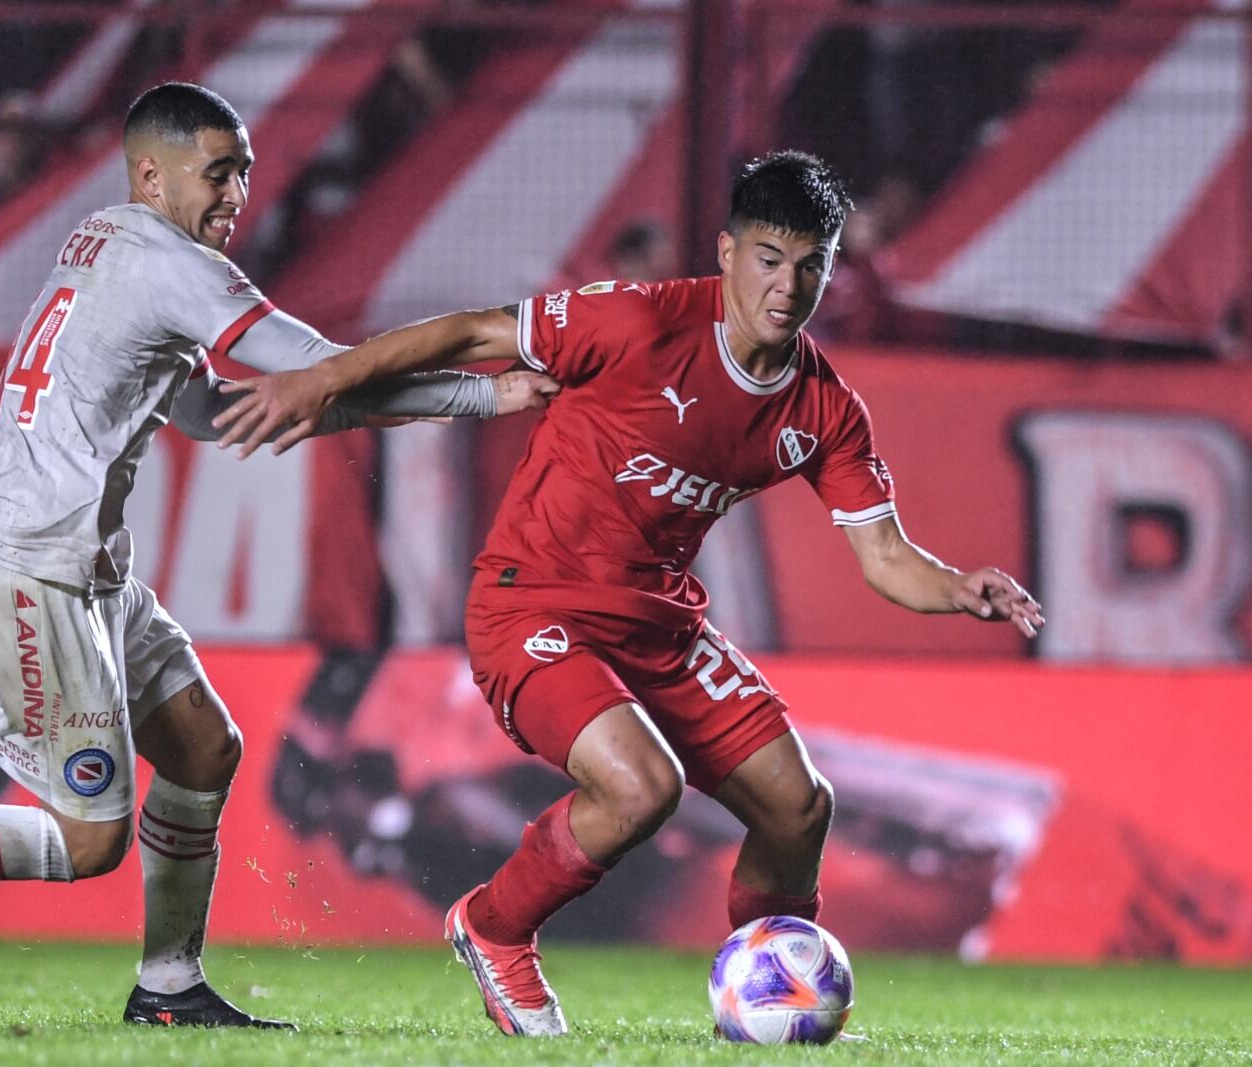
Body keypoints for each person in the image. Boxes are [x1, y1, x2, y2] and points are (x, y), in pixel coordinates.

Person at [0, 81, 556, 1030]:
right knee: (90, 839)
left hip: (88, 574)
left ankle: (168, 987)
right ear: (151, 173)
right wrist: (478, 392)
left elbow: (214, 410)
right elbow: (317, 362)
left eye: (245, 176)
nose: (237, 196)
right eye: (219, 174)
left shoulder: (108, 242)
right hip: (33, 576)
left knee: (205, 747)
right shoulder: (172, 264)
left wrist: (359, 399)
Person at [210, 150, 1044, 1036]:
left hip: (661, 627)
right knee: (643, 789)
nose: (788, 285)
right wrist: (322, 376)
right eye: (769, 257)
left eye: (811, 264)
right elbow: (472, 333)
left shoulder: (823, 409)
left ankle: (765, 1003)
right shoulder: (640, 323)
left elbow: (883, 557)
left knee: (798, 808)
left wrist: (957, 586)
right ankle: (494, 928)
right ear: (727, 253)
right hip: (534, 604)